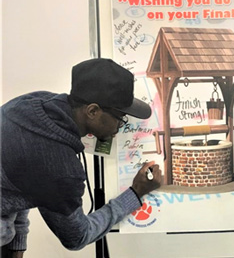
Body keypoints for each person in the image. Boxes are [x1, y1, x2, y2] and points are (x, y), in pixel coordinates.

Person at [0, 58, 162, 258]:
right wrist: (136, 193)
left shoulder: (30, 104)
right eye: (120, 118)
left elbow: (20, 175)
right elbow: (77, 236)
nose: (120, 127)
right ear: (92, 111)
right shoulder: (59, 169)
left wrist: (17, 243)